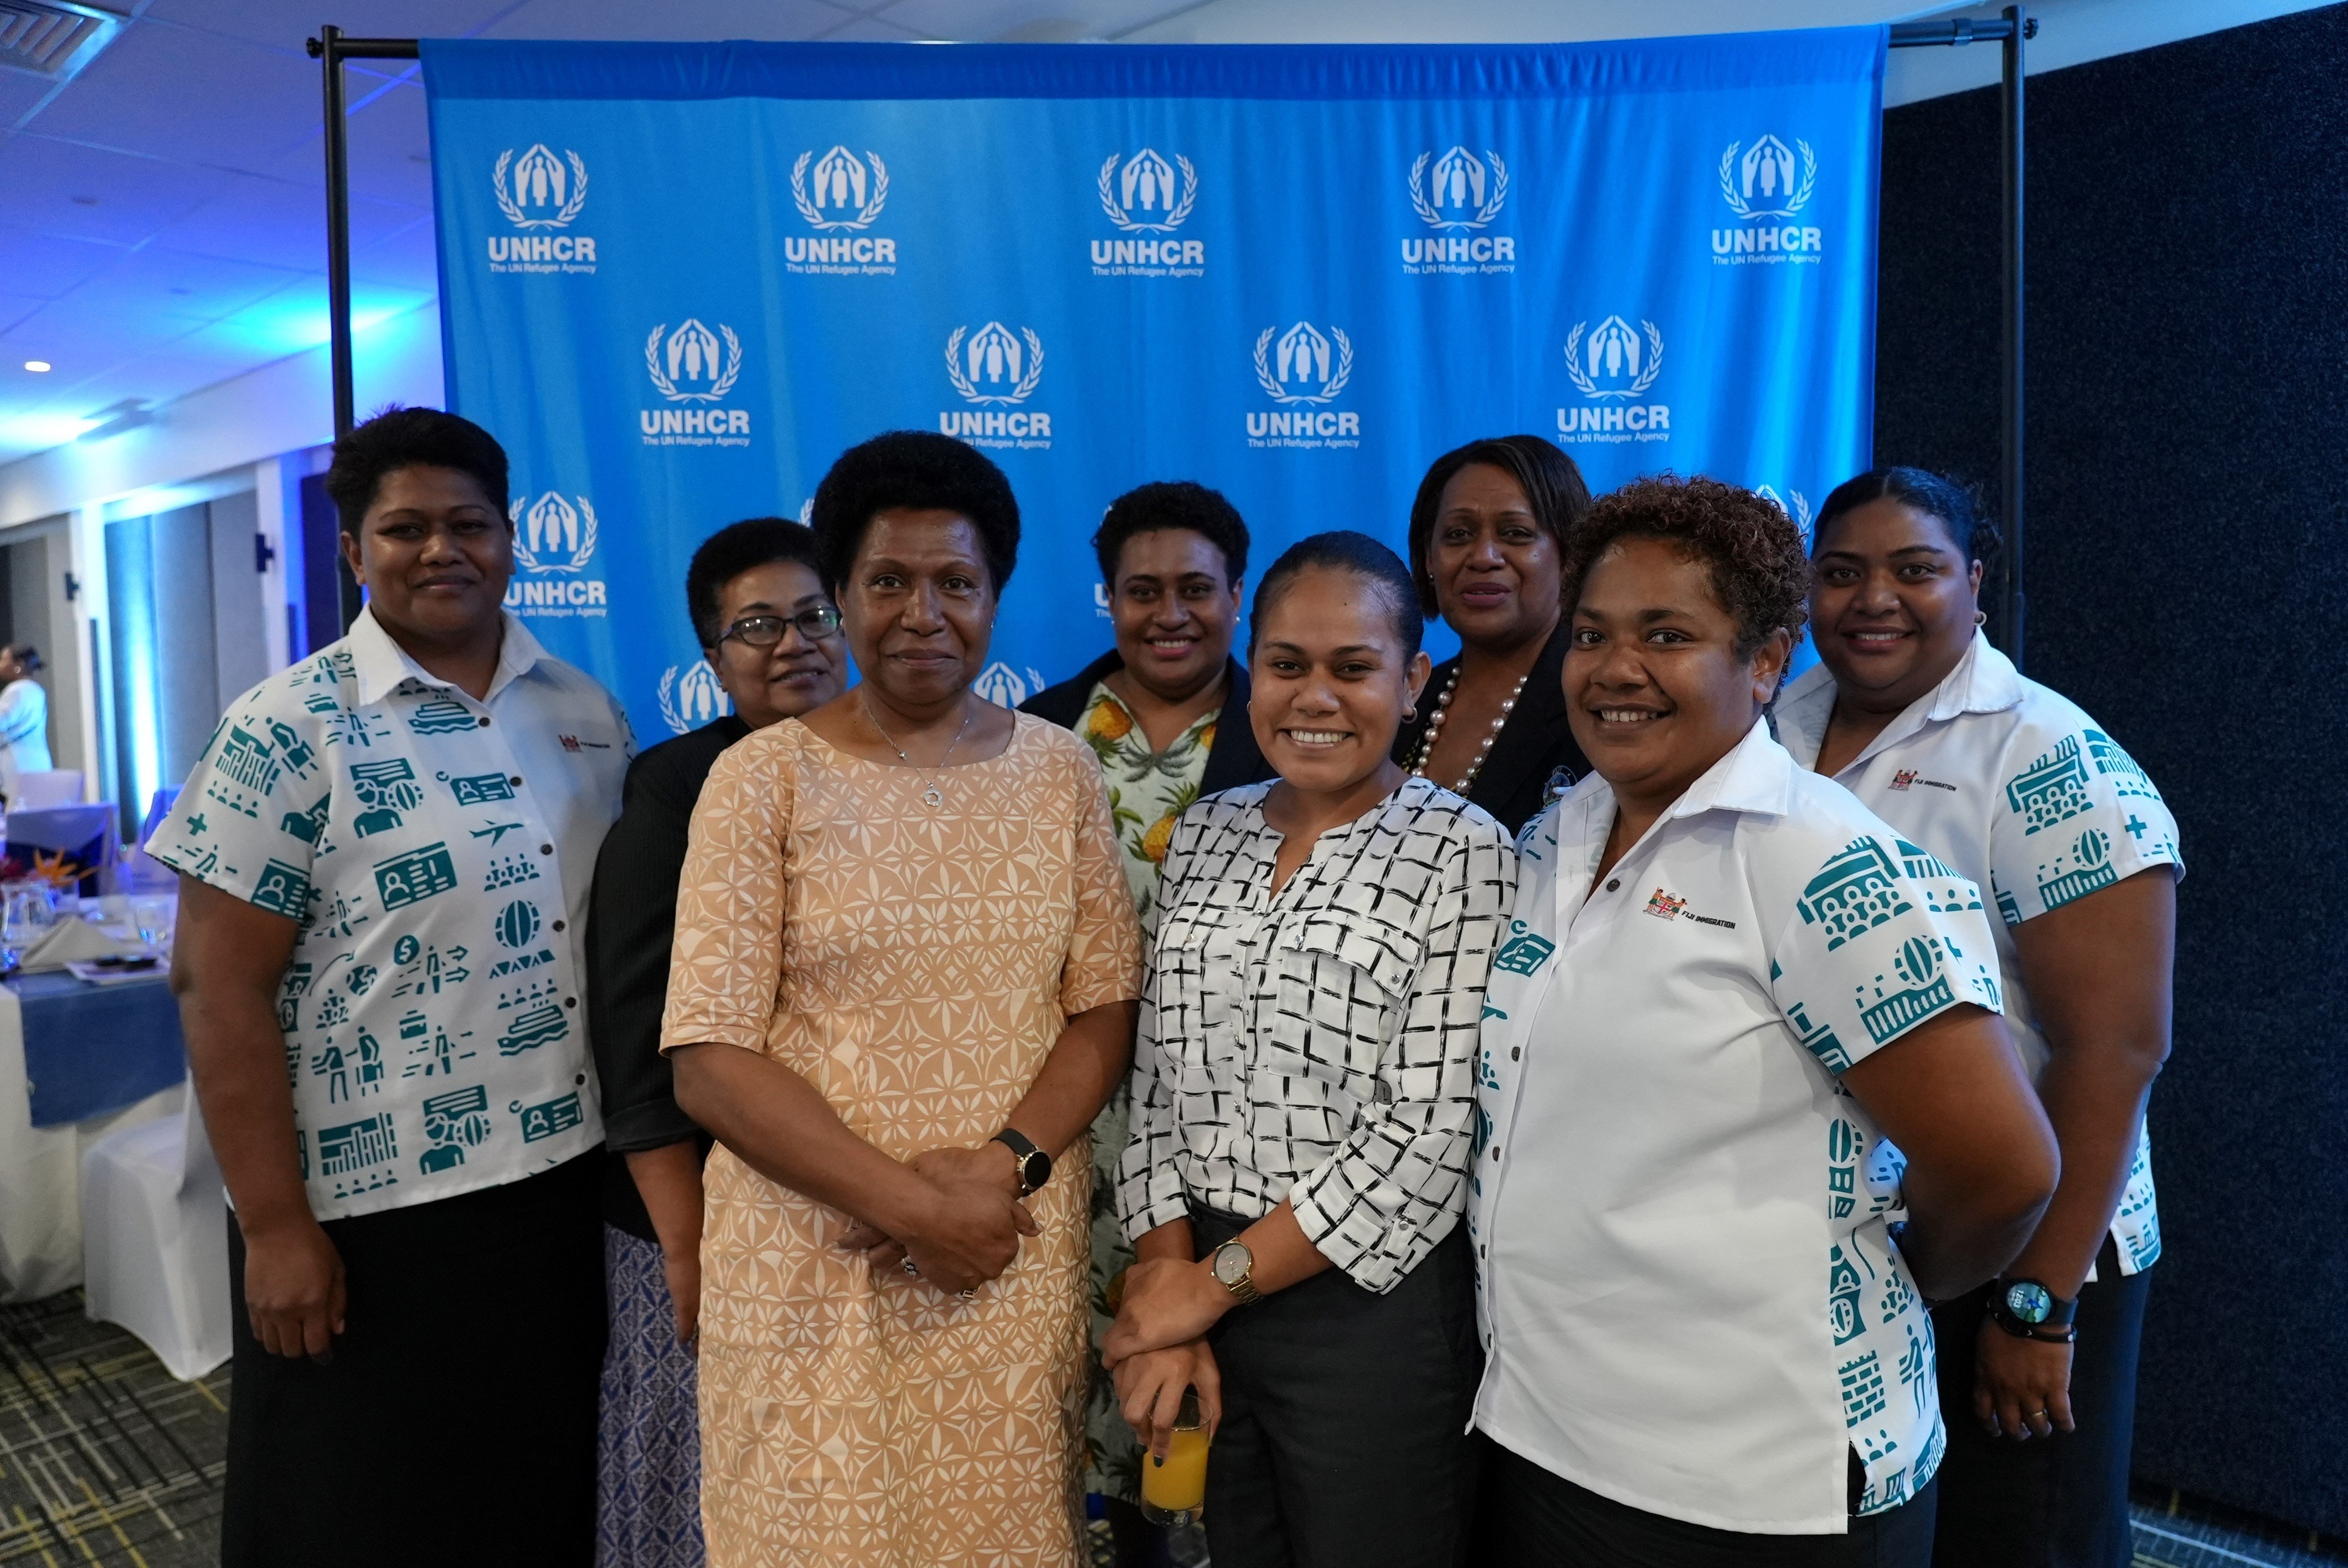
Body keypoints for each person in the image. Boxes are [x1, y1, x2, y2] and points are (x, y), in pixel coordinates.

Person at [1470, 475, 2062, 1565]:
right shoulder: (1561, 833)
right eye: (1591, 633)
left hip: (1748, 1485)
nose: (1614, 667)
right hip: (1544, 1438)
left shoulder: (1811, 855)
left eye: (1666, 634)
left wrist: (1905, 1273)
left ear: (1761, 659)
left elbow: (2004, 1166)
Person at [151, 406, 632, 1567]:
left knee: (532, 1496)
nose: (441, 549)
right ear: (354, 554)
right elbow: (215, 991)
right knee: (357, 1514)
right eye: (404, 527)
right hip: (362, 1221)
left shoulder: (583, 713)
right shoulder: (285, 730)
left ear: (512, 537)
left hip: (558, 1192)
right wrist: (273, 1226)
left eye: (469, 522)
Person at [660, 430, 1143, 1568]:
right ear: (838, 596)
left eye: (955, 583)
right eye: (887, 582)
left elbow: (1102, 1005)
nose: (923, 612)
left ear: (995, 595)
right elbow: (708, 1058)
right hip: (814, 1261)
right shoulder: (761, 778)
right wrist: (914, 1208)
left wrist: (1003, 1163)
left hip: (1005, 1253)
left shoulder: (1058, 768)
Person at [1775, 468, 2182, 1568]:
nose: (1873, 599)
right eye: (1841, 572)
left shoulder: (2046, 756)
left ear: (1975, 586)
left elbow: (2115, 1052)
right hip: (1880, 1236)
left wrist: (2035, 1308)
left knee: (2023, 1540)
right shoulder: (1780, 718)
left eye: (1913, 570)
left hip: (2025, 1241)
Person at [1105, 531, 1516, 1568]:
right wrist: (1172, 1299)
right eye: (1287, 664)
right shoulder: (1209, 828)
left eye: (1354, 667)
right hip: (1195, 1271)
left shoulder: (1464, 848)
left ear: (1414, 678)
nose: (1315, 696)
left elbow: (1424, 1137)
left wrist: (1213, 1284)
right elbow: (1155, 1086)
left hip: (1362, 1313)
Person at [1018, 479, 1275, 1565]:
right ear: (1106, 599)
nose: (1168, 613)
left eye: (1194, 589)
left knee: (1201, 1411)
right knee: (1064, 1396)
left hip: (1224, 1143)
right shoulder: (1033, 737)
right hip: (1064, 1126)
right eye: (1140, 591)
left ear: (1235, 594)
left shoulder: (1293, 731)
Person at [588, 518, 848, 1567]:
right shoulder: (677, 788)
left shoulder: (911, 768)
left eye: (812, 614)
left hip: (849, 1197)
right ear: (713, 659)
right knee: (698, 1480)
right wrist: (689, 1246)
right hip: (693, 1205)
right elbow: (637, 1032)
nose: (792, 643)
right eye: (755, 626)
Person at [1392, 436, 1592, 835]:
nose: (1483, 556)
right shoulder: (1400, 698)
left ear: (1569, 553)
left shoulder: (1600, 699)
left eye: (1516, 533)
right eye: (1458, 535)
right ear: (1429, 559)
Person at [0, 643, 52, 802]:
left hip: (17, 763)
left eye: (3, 659)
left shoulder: (17, 690)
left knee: (17, 813)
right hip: (37, 761)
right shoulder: (36, 690)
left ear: (19, 665)